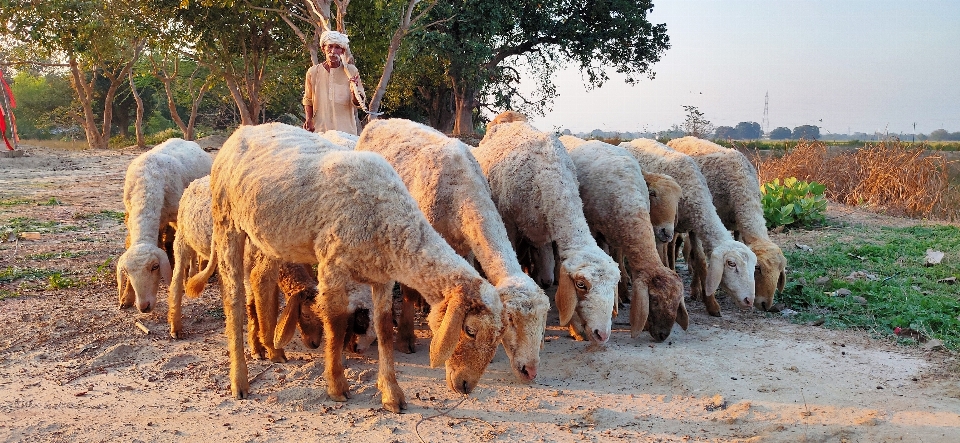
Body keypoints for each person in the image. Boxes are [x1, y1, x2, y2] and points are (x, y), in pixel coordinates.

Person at [302, 30, 364, 135]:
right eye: (330, 46)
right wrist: (309, 120)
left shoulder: (351, 71)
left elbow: (359, 103)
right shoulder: (312, 72)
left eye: (337, 47)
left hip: (346, 132)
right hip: (320, 131)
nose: (333, 51)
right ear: (323, 48)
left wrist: (354, 91)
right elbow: (308, 100)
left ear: (342, 51)